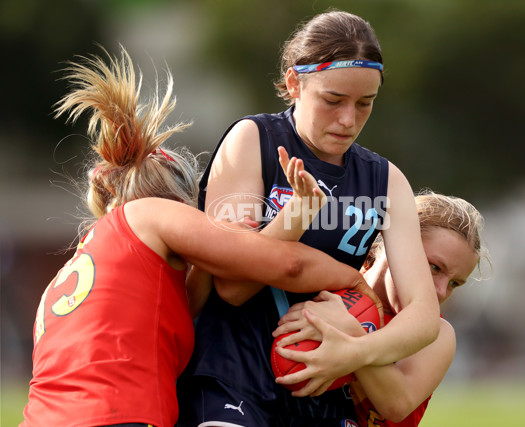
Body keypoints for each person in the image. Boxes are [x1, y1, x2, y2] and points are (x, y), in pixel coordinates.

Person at [20, 46, 377, 427]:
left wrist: (215, 263)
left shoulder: (72, 276)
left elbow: (186, 304)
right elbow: (288, 264)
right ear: (182, 206)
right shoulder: (150, 214)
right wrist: (355, 280)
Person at [176, 9, 440, 427]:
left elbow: (424, 316)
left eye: (365, 104)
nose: (349, 119)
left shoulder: (387, 181)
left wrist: (354, 352)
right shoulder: (251, 140)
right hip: (232, 382)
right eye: (333, 100)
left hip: (324, 393)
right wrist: (295, 216)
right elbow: (232, 286)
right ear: (295, 83)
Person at [272, 190, 490, 426]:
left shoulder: (437, 334)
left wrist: (352, 333)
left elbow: (397, 404)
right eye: (435, 267)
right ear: (396, 243)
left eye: (454, 284)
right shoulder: (332, 287)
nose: (440, 291)